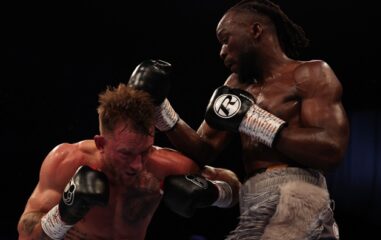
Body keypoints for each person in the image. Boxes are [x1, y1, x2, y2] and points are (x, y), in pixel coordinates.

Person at [131, 0, 350, 239]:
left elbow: (331, 150)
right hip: (253, 199)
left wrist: (253, 121)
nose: (222, 51)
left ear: (255, 30)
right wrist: (161, 109)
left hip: (298, 195)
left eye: (226, 40)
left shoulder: (311, 73)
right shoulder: (235, 86)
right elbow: (203, 150)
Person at [17, 83, 240, 240]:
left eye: (145, 151)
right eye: (126, 153)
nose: (137, 164)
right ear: (101, 143)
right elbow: (26, 235)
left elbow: (235, 188)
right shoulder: (66, 161)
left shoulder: (165, 167)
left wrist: (214, 193)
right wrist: (63, 215)